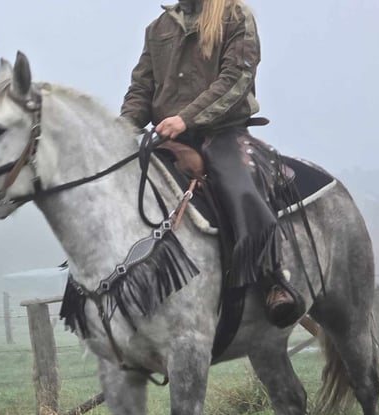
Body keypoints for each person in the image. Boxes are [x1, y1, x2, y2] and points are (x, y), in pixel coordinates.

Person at [120, 0, 301, 327]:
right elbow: (141, 88)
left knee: (240, 187)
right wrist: (120, 130)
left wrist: (186, 118)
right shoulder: (158, 28)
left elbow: (236, 77)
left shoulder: (234, 15)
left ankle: (272, 279)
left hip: (222, 132)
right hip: (169, 137)